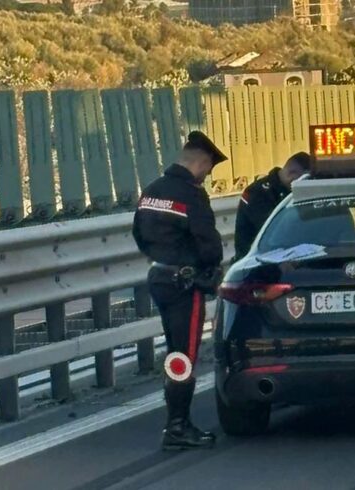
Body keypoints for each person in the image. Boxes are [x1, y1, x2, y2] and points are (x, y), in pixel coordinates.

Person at [132, 131, 228, 451]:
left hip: (158, 277)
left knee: (175, 349)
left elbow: (139, 234)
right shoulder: (191, 194)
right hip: (184, 284)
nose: (207, 176)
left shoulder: (152, 190)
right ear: (201, 162)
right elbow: (208, 243)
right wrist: (210, 268)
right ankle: (178, 426)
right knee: (184, 354)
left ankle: (176, 422)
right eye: (209, 170)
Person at [232, 152, 311, 261]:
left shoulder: (286, 191)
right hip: (256, 264)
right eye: (304, 180)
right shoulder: (258, 193)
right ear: (291, 174)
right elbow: (271, 233)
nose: (306, 186)